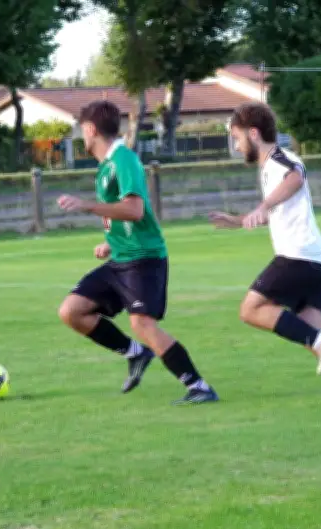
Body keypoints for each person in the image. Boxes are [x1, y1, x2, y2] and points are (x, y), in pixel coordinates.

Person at [209, 102, 321, 406]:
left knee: (250, 310)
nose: (236, 146)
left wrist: (263, 207)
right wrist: (240, 220)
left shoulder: (280, 158)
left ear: (253, 133)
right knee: (309, 334)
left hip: (300, 257)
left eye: (237, 138)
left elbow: (296, 177)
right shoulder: (268, 168)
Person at [56, 100, 218, 405]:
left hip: (143, 258)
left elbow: (134, 209)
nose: (82, 136)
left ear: (90, 129)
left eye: (82, 130)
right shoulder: (107, 166)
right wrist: (111, 240)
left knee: (142, 323)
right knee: (71, 311)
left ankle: (199, 386)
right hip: (122, 257)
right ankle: (135, 353)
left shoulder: (123, 160)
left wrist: (86, 205)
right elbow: (125, 214)